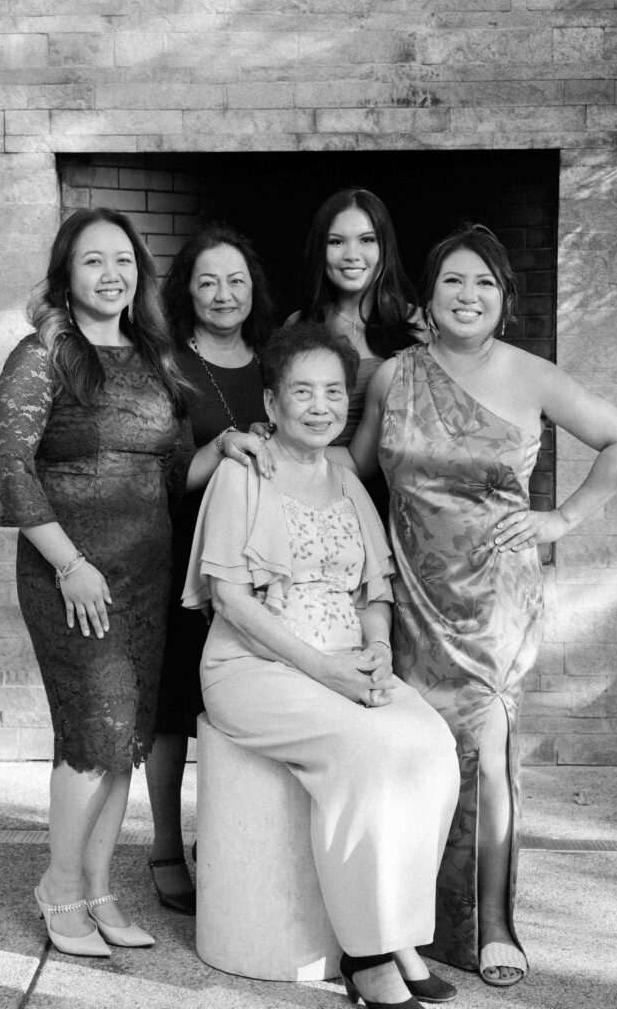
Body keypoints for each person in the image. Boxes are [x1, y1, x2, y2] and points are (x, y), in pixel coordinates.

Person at [0, 209, 266, 957]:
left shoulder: (150, 355)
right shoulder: (42, 355)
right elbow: (11, 469)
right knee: (92, 733)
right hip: (72, 574)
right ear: (66, 275)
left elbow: (168, 473)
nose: (111, 274)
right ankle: (58, 887)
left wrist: (223, 445)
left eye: (123, 261)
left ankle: (99, 891)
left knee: (127, 738)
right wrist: (69, 564)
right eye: (93, 261)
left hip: (145, 571)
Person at [348, 223, 617, 987]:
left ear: (504, 300)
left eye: (483, 283)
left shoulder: (531, 375)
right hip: (405, 588)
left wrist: (560, 520)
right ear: (426, 299)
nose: (466, 295)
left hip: (492, 600)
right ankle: (399, 920)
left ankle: (491, 922)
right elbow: (351, 473)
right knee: (410, 752)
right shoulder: (390, 377)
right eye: (451, 282)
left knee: (486, 747)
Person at [182, 322, 461, 1009]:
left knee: (432, 746)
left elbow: (374, 590)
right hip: (252, 667)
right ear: (272, 405)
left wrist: (374, 651)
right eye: (301, 392)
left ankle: (397, 933)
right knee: (366, 751)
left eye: (332, 392)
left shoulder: (344, 479)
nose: (319, 405)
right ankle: (366, 957)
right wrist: (323, 671)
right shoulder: (241, 474)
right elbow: (231, 602)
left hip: (343, 661)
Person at [145, 224, 275, 913]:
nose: (223, 294)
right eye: (207, 281)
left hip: (265, 573)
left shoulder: (276, 359)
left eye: (235, 281)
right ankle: (166, 846)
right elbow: (159, 478)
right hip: (185, 561)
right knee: (173, 712)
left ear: (253, 288)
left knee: (244, 710)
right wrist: (220, 445)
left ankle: (229, 839)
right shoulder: (167, 365)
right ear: (186, 292)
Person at [285, 187, 419, 448]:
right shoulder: (297, 325)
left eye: (367, 240)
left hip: (394, 484)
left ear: (385, 247)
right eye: (336, 242)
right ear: (320, 250)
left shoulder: (421, 324)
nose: (351, 255)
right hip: (310, 477)